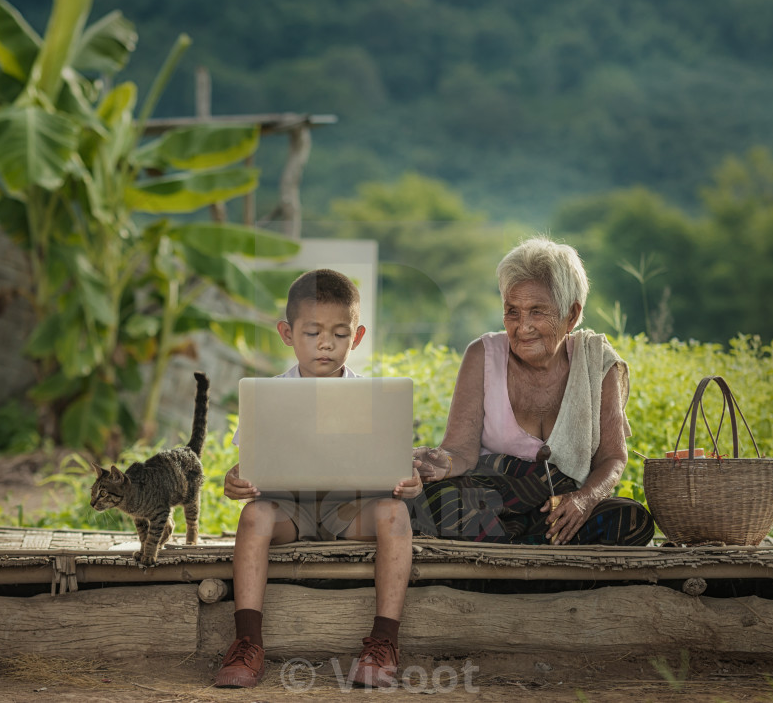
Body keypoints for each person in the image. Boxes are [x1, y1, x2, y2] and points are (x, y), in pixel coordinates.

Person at [214, 268, 422, 689]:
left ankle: (383, 643)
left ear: (357, 336)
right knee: (254, 516)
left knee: (396, 513)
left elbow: (396, 466)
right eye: (312, 333)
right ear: (287, 334)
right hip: (289, 514)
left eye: (340, 334)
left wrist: (409, 481)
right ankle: (247, 643)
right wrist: (234, 481)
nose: (326, 344)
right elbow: (247, 467)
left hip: (350, 512)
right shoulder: (267, 395)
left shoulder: (371, 400)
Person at [411, 236, 654, 546]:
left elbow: (613, 458)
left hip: (558, 511)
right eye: (512, 311)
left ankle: (506, 560)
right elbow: (460, 452)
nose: (522, 327)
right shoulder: (482, 355)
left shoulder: (597, 362)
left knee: (633, 520)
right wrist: (434, 464)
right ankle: (536, 560)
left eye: (537, 312)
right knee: (432, 500)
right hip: (492, 501)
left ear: (572, 315)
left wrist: (583, 500)